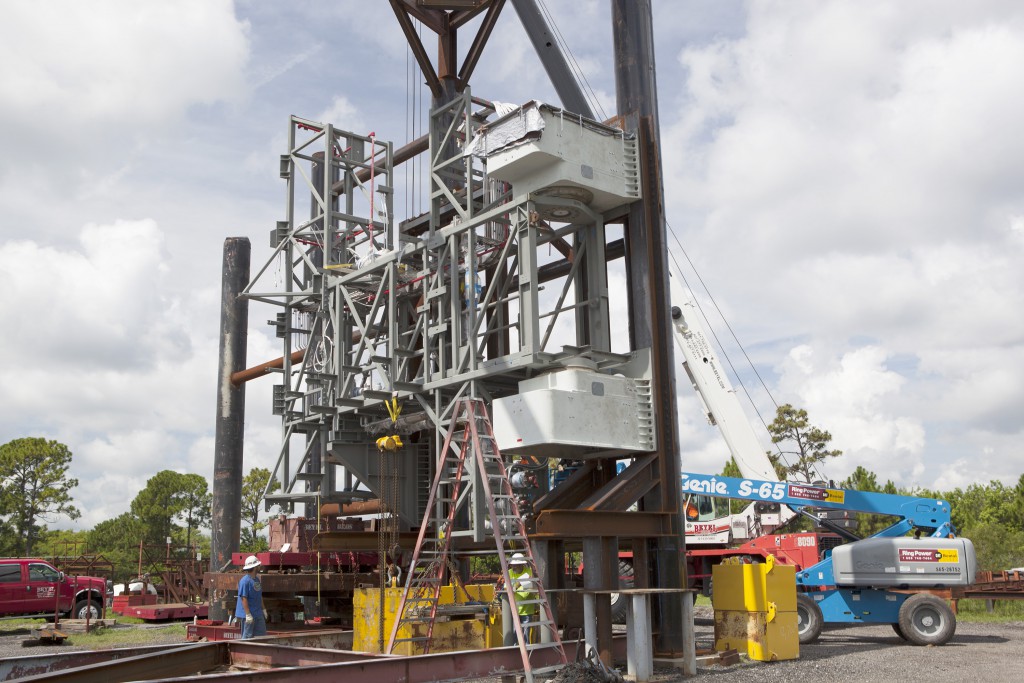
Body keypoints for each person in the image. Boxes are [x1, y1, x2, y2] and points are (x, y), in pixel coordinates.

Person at [236, 555, 266, 639]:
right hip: (249, 615)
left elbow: (259, 595)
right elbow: (243, 598)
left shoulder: (256, 580)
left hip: (257, 613)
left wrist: (263, 609)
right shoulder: (245, 581)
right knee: (247, 636)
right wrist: (248, 614)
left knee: (261, 636)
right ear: (255, 567)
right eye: (258, 565)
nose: (259, 566)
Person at [509, 553, 537, 643]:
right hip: (514, 610)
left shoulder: (529, 572)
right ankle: (513, 654)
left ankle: (526, 655)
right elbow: (507, 588)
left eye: (516, 566)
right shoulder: (509, 573)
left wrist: (516, 586)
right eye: (512, 566)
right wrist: (518, 584)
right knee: (513, 636)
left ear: (521, 564)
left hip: (526, 610)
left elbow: (528, 589)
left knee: (525, 638)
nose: (513, 568)